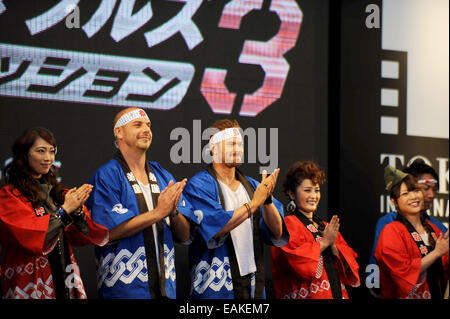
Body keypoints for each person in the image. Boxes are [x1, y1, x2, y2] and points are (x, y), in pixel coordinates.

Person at [86, 107, 195, 299]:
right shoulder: (107, 176)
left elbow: (185, 236)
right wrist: (158, 212)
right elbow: (106, 233)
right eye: (138, 125)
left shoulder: (163, 175)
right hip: (123, 291)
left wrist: (174, 212)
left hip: (166, 291)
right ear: (118, 132)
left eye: (149, 125)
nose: (146, 130)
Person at [183, 119, 289, 299]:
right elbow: (216, 227)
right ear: (213, 148)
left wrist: (267, 199)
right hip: (214, 289)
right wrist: (254, 204)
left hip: (253, 289)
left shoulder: (254, 187)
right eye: (232, 143)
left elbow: (277, 232)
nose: (238, 149)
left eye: (240, 144)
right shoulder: (199, 185)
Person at [0, 127, 108, 299]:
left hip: (65, 277)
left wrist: (78, 211)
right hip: (28, 282)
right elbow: (33, 237)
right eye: (41, 151)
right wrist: (65, 211)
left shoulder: (57, 193)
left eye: (52, 151)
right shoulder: (9, 196)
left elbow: (82, 236)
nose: (48, 158)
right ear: (24, 155)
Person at [271, 161, 360, 299]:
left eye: (317, 190)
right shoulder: (287, 225)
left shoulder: (326, 226)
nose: (314, 196)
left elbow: (350, 264)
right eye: (307, 190)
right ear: (292, 194)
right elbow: (297, 260)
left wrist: (334, 246)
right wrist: (324, 242)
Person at [374, 165, 449, 299]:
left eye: (415, 191)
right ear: (394, 201)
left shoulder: (435, 229)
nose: (413, 197)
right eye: (405, 193)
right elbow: (401, 272)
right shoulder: (391, 231)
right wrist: (436, 253)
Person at [369, 159, 447, 267]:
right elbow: (378, 266)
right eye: (426, 188)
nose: (431, 195)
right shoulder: (388, 225)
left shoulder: (437, 227)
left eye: (434, 189)